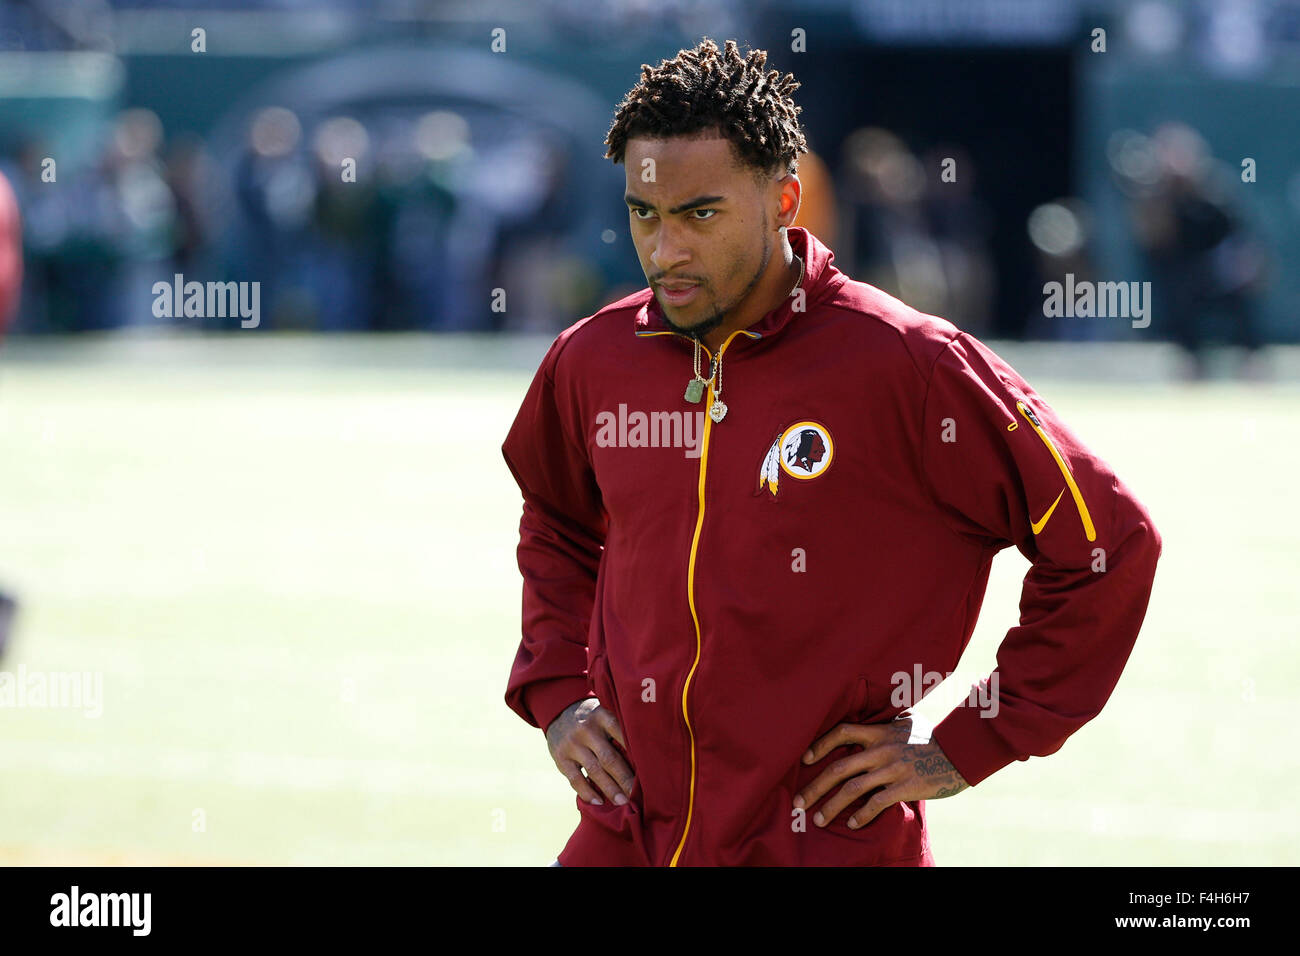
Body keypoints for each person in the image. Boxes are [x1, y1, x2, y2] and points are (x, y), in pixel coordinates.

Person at [501, 38, 1162, 866]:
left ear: (785, 200)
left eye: (700, 214)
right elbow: (557, 522)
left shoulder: (912, 364)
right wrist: (561, 693)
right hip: (629, 835)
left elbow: (1110, 543)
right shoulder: (593, 358)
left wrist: (971, 743)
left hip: (825, 842)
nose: (665, 250)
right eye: (645, 213)